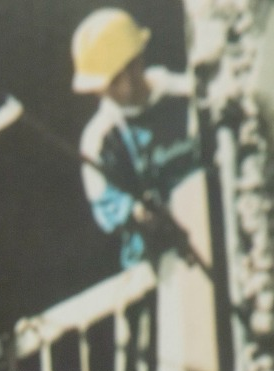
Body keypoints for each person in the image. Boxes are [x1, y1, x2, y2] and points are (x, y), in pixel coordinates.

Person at [72, 7, 202, 269]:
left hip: (207, 230)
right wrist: (133, 212)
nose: (100, 92)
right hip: (157, 263)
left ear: (134, 65)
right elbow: (106, 204)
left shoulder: (187, 95)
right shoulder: (99, 139)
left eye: (108, 81)